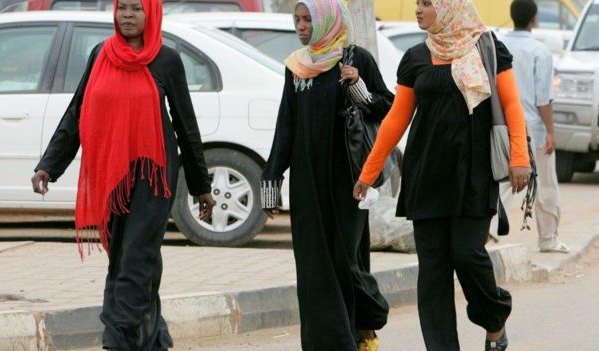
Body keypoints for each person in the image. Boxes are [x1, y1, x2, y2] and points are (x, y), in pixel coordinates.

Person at [30, 0, 215, 348]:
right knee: (126, 257)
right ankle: (153, 339)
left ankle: (117, 339)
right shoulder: (101, 54)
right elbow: (77, 112)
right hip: (112, 176)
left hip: (153, 175)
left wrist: (200, 185)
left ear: (152, 13)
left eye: (136, 8)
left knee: (136, 257)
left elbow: (186, 126)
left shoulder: (167, 60)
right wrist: (48, 166)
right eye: (122, 8)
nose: (127, 15)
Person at [352, 0, 531, 350]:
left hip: (474, 174)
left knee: (467, 254)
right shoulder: (416, 57)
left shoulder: (489, 48)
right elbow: (396, 120)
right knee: (433, 272)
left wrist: (520, 157)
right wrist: (368, 172)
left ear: (451, 7)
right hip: (426, 175)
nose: (419, 10)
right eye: (417, 4)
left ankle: (494, 319)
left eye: (427, 3)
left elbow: (511, 105)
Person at [260, 0, 392, 350]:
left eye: (308, 20)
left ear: (328, 21)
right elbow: (285, 127)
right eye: (298, 19)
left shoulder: (355, 58)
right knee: (314, 264)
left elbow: (386, 105)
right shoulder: (296, 68)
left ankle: (363, 323)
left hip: (348, 182)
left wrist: (358, 85)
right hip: (307, 183)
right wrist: (271, 182)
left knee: (346, 259)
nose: (301, 26)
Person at [497, 0, 570, 253]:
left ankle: (487, 231)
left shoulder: (499, 45)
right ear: (534, 19)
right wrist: (550, 131)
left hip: (504, 126)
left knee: (505, 181)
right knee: (546, 184)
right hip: (533, 129)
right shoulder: (540, 51)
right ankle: (548, 239)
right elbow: (543, 98)